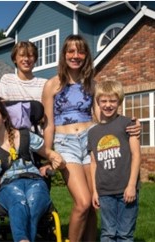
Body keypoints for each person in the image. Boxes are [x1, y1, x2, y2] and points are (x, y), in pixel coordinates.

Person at [42, 34, 141, 242]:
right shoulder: (52, 85)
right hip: (65, 143)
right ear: (64, 54)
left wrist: (129, 125)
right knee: (83, 202)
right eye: (71, 51)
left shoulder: (93, 85)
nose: (75, 56)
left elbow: (103, 118)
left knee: (95, 204)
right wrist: (48, 153)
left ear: (86, 55)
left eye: (80, 51)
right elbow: (48, 123)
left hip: (90, 142)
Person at [0, 98, 66, 242]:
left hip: (34, 179)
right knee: (19, 201)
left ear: (4, 117)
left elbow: (50, 154)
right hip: (7, 186)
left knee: (33, 200)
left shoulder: (25, 136)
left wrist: (54, 162)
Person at [88, 80, 141, 242]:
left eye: (113, 100)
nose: (108, 105)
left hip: (126, 189)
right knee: (108, 233)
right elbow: (94, 163)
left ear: (119, 101)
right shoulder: (93, 132)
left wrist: (131, 185)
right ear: (98, 102)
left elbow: (136, 155)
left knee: (125, 234)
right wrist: (95, 191)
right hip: (105, 192)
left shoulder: (128, 124)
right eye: (104, 101)